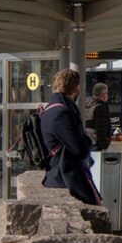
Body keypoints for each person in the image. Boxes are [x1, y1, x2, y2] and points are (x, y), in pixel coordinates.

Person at [40, 68, 101, 205]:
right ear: (75, 88)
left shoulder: (50, 109)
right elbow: (80, 150)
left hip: (58, 173)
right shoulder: (62, 113)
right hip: (66, 176)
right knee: (96, 209)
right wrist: (86, 138)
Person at [83, 82, 112, 151]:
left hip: (87, 141)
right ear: (103, 94)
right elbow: (101, 128)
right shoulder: (100, 108)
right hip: (96, 143)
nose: (107, 95)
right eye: (107, 93)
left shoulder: (88, 105)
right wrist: (104, 145)